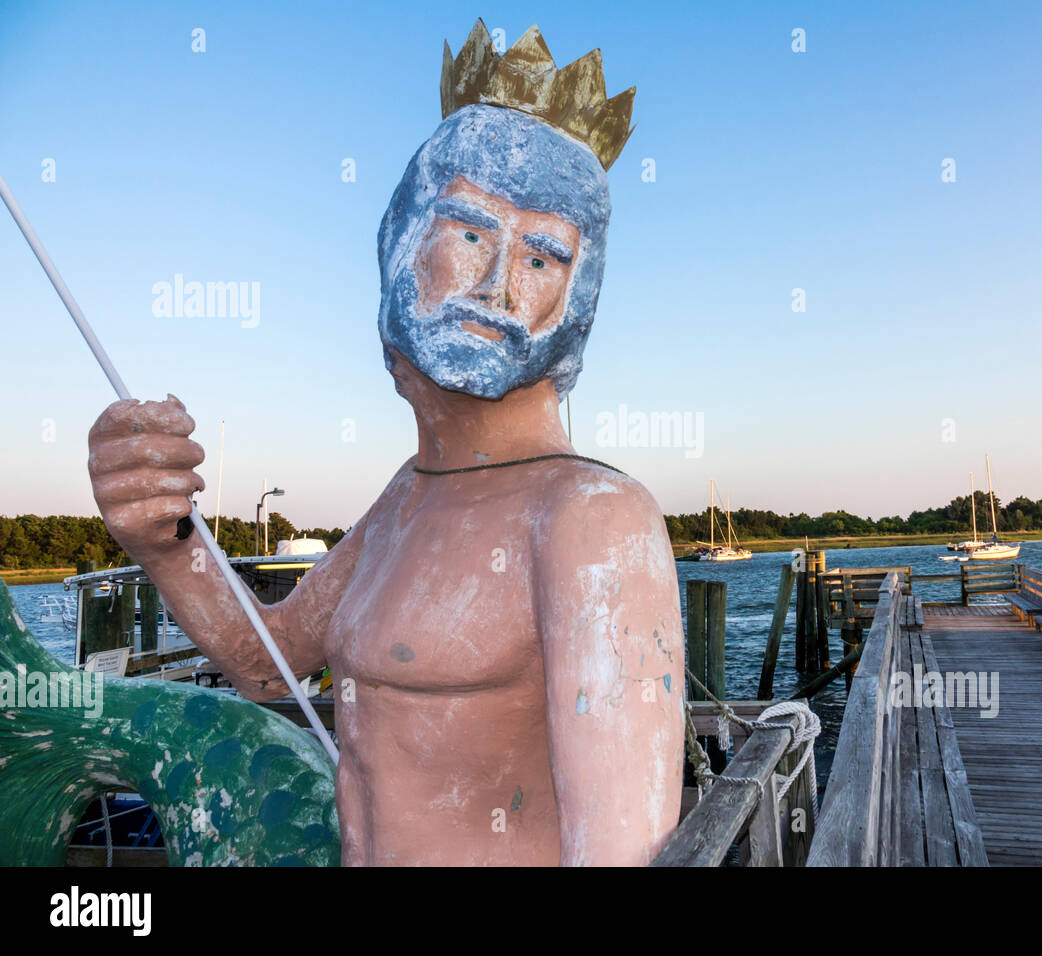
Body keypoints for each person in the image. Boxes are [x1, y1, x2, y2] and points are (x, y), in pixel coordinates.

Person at [86, 22, 683, 866]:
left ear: (577, 301)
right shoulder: (410, 497)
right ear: (400, 236)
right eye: (471, 230)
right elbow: (272, 668)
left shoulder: (593, 521)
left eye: (545, 255)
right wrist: (167, 546)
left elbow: (620, 853)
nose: (499, 282)